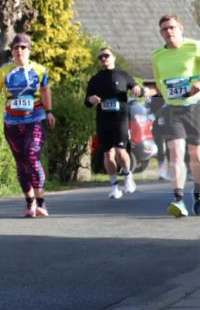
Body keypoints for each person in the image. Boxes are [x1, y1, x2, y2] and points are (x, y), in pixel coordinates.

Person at [0, 33, 56, 217]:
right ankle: (30, 202)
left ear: (29, 50)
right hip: (12, 122)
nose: (19, 51)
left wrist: (49, 112)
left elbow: (45, 91)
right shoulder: (4, 71)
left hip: (35, 118)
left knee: (31, 154)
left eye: (23, 47)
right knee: (21, 162)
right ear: (12, 51)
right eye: (16, 47)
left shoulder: (40, 70)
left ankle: (41, 203)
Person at [151, 14, 200, 217]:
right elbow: (159, 83)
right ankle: (178, 199)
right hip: (173, 109)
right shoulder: (157, 56)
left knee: (195, 155)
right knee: (176, 152)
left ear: (180, 28)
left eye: (171, 27)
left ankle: (197, 195)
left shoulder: (195, 47)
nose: (168, 32)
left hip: (195, 106)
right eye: (164, 29)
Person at [84, 47, 142, 199]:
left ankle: (128, 176)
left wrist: (136, 88)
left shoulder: (123, 75)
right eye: (101, 57)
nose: (103, 59)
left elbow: (135, 87)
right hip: (103, 120)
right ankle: (114, 186)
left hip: (120, 119)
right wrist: (91, 100)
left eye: (106, 56)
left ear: (113, 58)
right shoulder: (95, 79)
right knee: (108, 154)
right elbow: (87, 101)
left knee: (120, 151)